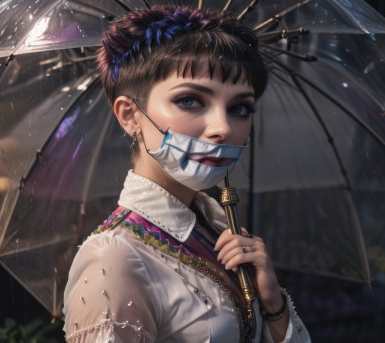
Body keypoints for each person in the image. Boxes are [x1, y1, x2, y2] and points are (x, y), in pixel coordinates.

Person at [63, 5, 311, 342]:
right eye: (190, 101)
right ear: (129, 115)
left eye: (240, 108)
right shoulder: (114, 258)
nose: (222, 128)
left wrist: (273, 304)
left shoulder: (219, 226)